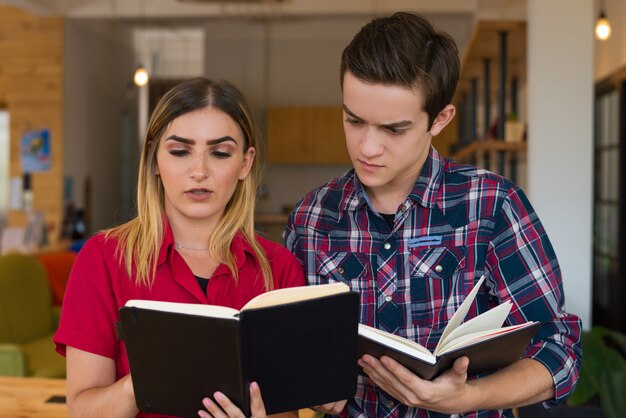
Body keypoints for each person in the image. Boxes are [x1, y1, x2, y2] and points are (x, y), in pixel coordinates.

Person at [285, 12, 582, 418]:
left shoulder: (492, 204)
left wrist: (467, 398)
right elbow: (288, 348)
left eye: (394, 130)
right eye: (354, 120)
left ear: (440, 119)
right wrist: (307, 385)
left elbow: (559, 351)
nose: (367, 147)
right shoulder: (311, 218)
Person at [54, 77, 304, 418]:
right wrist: (147, 375)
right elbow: (82, 411)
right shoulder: (102, 258)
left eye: (219, 153)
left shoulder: (280, 268)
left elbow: (286, 409)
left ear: (245, 163)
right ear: (155, 160)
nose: (199, 171)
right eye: (180, 151)